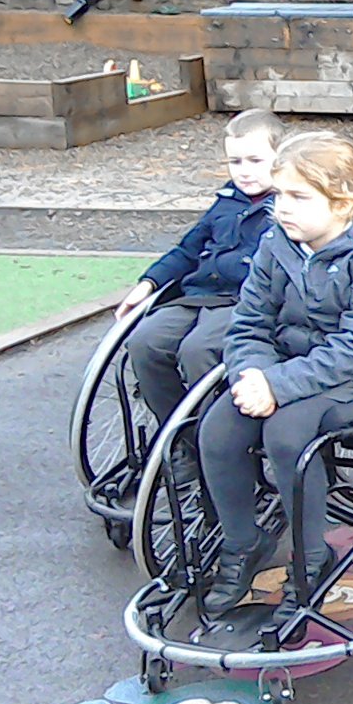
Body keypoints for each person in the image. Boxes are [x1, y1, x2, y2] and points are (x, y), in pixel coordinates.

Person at [199, 132, 353, 622]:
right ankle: (245, 543)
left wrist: (278, 386)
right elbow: (248, 323)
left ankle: (312, 557)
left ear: (342, 204)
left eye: (298, 197)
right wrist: (253, 376)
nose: (282, 207)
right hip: (285, 368)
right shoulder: (275, 244)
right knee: (217, 431)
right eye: (280, 194)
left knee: (287, 435)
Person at [113, 109, 285, 498]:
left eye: (256, 161)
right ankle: (181, 438)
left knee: (199, 350)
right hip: (197, 294)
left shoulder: (287, 205)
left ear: (280, 158)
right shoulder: (226, 201)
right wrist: (148, 283)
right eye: (235, 161)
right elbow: (188, 249)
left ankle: (219, 449)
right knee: (144, 342)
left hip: (242, 302)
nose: (244, 170)